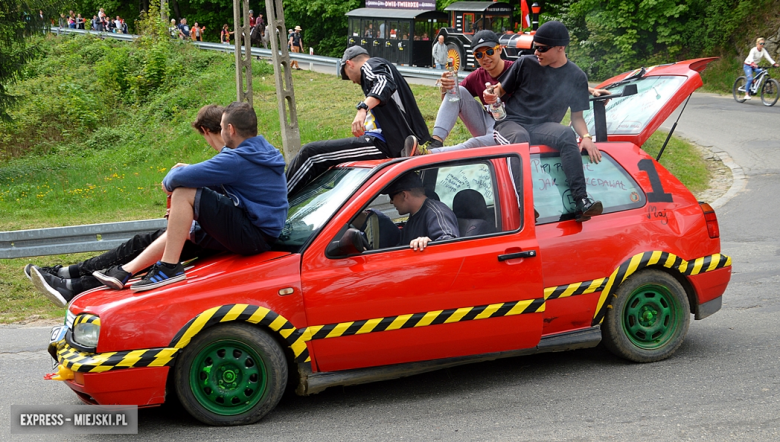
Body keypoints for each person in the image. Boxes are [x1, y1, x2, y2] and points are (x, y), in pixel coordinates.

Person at [27, 105, 229, 306]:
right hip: (217, 231)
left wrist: (184, 173)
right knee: (142, 245)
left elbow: (171, 182)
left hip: (213, 235)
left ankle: (74, 282)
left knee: (140, 248)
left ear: (205, 130)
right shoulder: (234, 156)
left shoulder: (228, 158)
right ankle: (72, 277)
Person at [93, 102, 288, 292]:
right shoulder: (262, 151)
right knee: (184, 227)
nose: (220, 133)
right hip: (261, 233)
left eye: (221, 128)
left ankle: (169, 267)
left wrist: (177, 176)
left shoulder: (236, 159)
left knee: (184, 193)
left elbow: (176, 179)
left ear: (230, 129)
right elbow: (216, 177)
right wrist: (190, 171)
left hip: (253, 236)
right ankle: (125, 271)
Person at [484, 21, 603, 222]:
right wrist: (490, 94)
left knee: (566, 134)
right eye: (535, 47)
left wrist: (587, 137)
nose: (536, 52)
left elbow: (576, 118)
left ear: (560, 48)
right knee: (520, 137)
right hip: (511, 123)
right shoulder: (525, 63)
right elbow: (500, 91)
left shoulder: (576, 76)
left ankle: (581, 201)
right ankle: (523, 204)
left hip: (542, 127)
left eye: (542, 48)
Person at [285, 46, 432, 195]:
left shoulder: (370, 65)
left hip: (387, 143)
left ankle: (277, 199)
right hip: (397, 141)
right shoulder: (382, 68)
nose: (352, 81)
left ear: (350, 63)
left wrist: (362, 108)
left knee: (311, 154)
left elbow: (384, 82)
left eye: (347, 75)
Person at [382, 172, 459, 251]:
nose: (391, 202)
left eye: (391, 196)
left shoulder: (437, 213)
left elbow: (449, 243)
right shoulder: (414, 215)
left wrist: (427, 242)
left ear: (404, 195)